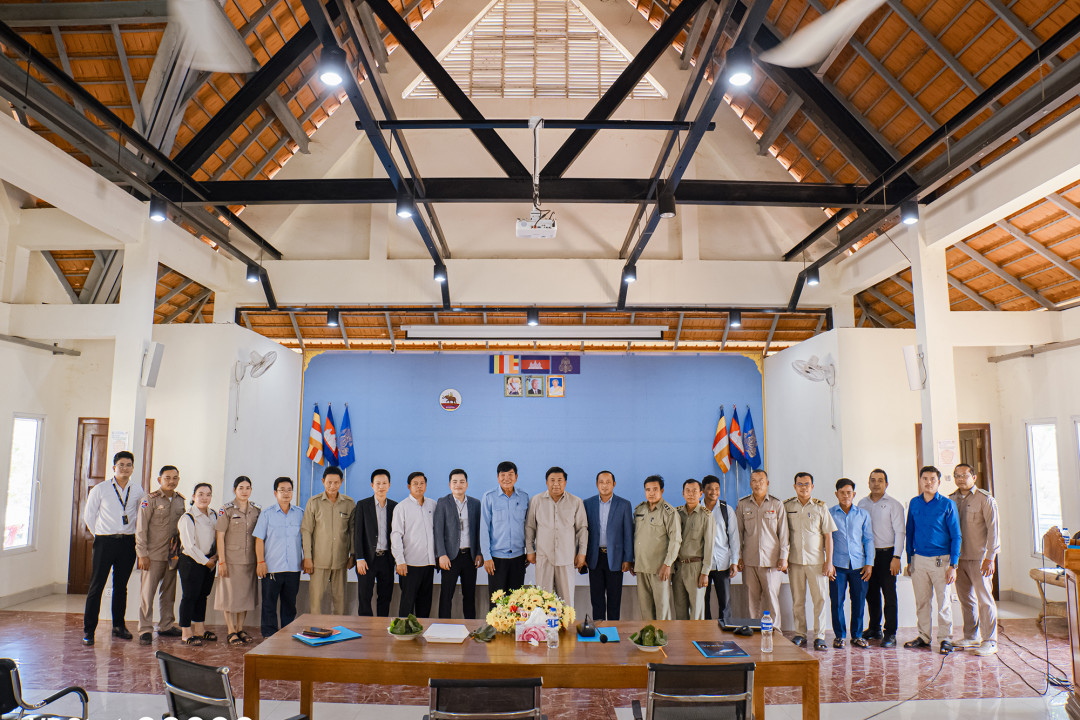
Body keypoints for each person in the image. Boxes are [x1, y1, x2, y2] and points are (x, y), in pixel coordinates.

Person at [82, 450, 147, 646]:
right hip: (104, 542)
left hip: (127, 542)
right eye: (121, 465)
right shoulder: (100, 489)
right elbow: (89, 516)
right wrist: (101, 535)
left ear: (133, 468)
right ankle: (89, 630)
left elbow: (141, 516)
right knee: (97, 586)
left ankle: (119, 626)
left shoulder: (137, 490)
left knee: (121, 587)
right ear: (114, 468)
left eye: (128, 465)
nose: (125, 468)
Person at [903, 465, 962, 654]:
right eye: (925, 479)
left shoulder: (947, 504)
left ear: (938, 482)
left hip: (941, 561)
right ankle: (923, 636)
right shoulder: (914, 503)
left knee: (943, 602)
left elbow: (957, 536)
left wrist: (953, 565)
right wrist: (909, 559)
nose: (928, 482)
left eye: (932, 479)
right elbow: (909, 532)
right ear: (920, 481)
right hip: (919, 559)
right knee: (922, 601)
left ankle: (945, 638)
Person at [950, 463, 1000, 656]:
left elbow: (994, 530)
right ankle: (971, 636)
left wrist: (990, 557)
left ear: (974, 477)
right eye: (957, 475)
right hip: (959, 559)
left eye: (964, 475)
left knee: (985, 600)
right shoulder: (951, 499)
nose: (960, 478)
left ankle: (990, 640)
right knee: (966, 600)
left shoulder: (985, 499)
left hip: (980, 559)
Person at [784, 472, 836, 651]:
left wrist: (829, 562)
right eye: (800, 484)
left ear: (812, 487)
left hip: (817, 563)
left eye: (807, 484)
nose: (803, 487)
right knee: (798, 600)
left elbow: (828, 537)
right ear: (794, 486)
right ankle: (800, 634)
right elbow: (783, 535)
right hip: (795, 562)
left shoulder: (821, 507)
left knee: (819, 599)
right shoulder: (787, 506)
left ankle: (820, 636)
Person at [135, 464, 185, 645]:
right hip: (152, 554)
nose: (171, 482)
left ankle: (166, 625)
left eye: (175, 478)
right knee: (147, 593)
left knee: (169, 593)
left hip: (172, 555)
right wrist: (142, 553)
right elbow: (141, 528)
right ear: (159, 480)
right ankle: (145, 629)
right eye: (167, 478)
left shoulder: (180, 500)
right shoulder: (150, 499)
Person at [857, 468, 906, 648]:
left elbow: (900, 532)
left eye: (880, 480)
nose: (876, 483)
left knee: (889, 595)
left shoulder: (894, 504)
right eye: (873, 480)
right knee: (871, 594)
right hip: (868, 557)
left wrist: (897, 556)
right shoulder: (862, 504)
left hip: (888, 555)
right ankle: (874, 628)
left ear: (886, 483)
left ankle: (890, 633)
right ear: (868, 482)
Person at [526, 466, 588, 601]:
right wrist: (530, 550)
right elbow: (530, 527)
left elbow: (582, 529)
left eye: (560, 480)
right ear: (546, 482)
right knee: (542, 601)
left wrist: (582, 553)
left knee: (566, 601)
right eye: (552, 480)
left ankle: (566, 623)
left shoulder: (576, 502)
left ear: (565, 482)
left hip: (566, 558)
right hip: (543, 558)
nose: (556, 484)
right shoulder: (536, 500)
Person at [736, 469, 789, 629]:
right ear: (750, 483)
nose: (757, 484)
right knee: (752, 601)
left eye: (761, 480)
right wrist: (738, 556)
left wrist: (784, 557)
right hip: (749, 561)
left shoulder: (776, 504)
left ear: (767, 483)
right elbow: (738, 533)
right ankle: (753, 632)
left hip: (772, 561)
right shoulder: (743, 504)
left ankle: (775, 633)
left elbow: (784, 533)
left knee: (772, 599)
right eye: (754, 480)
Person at [253, 477, 304, 637]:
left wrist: (307, 558)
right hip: (272, 567)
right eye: (282, 490)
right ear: (276, 493)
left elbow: (305, 539)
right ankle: (269, 635)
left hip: (293, 567)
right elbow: (259, 539)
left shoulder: (300, 514)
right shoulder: (267, 514)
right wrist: (260, 562)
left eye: (289, 489)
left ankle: (287, 634)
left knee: (290, 604)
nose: (286, 493)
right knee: (269, 603)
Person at [302, 466, 356, 615]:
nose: (332, 486)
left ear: (342, 482)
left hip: (341, 560)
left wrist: (353, 555)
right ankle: (315, 632)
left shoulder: (349, 503)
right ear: (323, 481)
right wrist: (307, 557)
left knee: (340, 601)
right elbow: (306, 531)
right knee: (315, 601)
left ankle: (339, 631)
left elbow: (353, 531)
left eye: (336, 483)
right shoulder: (314, 502)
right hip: (318, 560)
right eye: (329, 482)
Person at [828, 478, 874, 649]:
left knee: (859, 601)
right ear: (836, 494)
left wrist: (869, 563)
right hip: (837, 566)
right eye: (842, 492)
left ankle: (857, 635)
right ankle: (839, 636)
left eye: (849, 492)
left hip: (859, 566)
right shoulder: (829, 514)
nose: (846, 495)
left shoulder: (863, 515)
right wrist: (828, 563)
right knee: (837, 601)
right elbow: (826, 540)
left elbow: (868, 539)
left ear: (854, 494)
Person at [215, 476, 260, 645]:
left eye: (248, 487)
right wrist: (222, 561)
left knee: (245, 596)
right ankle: (230, 630)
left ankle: (240, 628)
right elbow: (220, 536)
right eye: (241, 488)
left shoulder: (256, 510)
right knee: (230, 596)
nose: (244, 491)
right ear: (235, 490)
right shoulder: (226, 510)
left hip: (249, 560)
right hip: (231, 560)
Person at [583, 470, 634, 620]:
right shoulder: (588, 503)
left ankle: (613, 631)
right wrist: (583, 555)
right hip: (595, 557)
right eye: (601, 482)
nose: (604, 485)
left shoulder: (624, 504)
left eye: (608, 482)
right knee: (597, 599)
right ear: (596, 484)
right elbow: (583, 531)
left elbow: (628, 533)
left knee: (614, 599)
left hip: (616, 559)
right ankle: (599, 633)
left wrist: (628, 558)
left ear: (614, 484)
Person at [433, 469, 482, 619]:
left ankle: (471, 628)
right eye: (455, 482)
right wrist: (441, 554)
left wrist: (479, 552)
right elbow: (438, 531)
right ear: (450, 484)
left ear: (467, 484)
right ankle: (442, 628)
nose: (458, 485)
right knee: (446, 595)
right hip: (450, 557)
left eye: (462, 481)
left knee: (469, 595)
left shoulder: (475, 503)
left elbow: (479, 530)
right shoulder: (443, 502)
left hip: (470, 556)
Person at [632, 475, 682, 621]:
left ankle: (663, 642)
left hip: (660, 569)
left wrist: (667, 564)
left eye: (655, 489)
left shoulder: (669, 512)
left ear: (662, 490)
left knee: (662, 610)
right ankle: (649, 642)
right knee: (646, 610)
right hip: (641, 567)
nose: (651, 493)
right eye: (648, 490)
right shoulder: (639, 510)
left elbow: (676, 540)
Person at [480, 461, 530, 600]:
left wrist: (529, 551)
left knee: (516, 602)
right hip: (496, 559)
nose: (506, 478)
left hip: (518, 558)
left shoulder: (524, 497)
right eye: (503, 475)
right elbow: (484, 528)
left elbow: (528, 527)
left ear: (516, 477)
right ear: (498, 477)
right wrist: (487, 557)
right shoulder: (489, 497)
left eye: (510, 474)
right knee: (497, 603)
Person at [177, 482, 219, 646]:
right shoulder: (187, 517)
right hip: (192, 561)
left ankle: (200, 630)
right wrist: (206, 561)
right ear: (194, 497)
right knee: (189, 596)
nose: (204, 497)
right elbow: (189, 546)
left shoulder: (213, 514)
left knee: (203, 595)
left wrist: (214, 558)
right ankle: (186, 632)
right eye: (200, 494)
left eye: (208, 494)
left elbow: (217, 537)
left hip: (209, 560)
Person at [391, 471, 437, 617]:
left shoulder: (433, 504)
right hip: (409, 565)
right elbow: (396, 535)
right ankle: (404, 637)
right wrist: (400, 561)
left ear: (426, 485)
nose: (419, 487)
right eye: (415, 484)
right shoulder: (401, 507)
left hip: (429, 564)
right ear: (409, 486)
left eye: (422, 483)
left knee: (425, 604)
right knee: (407, 605)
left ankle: (422, 636)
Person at [353, 469, 397, 616]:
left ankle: (382, 630)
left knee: (385, 597)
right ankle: (366, 633)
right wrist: (359, 558)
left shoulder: (395, 507)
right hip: (366, 560)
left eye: (384, 483)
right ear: (372, 485)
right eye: (378, 483)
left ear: (389, 485)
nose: (381, 486)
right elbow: (357, 534)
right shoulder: (363, 505)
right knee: (365, 598)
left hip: (387, 559)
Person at [673, 479, 716, 620]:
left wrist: (705, 572)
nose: (691, 494)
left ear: (701, 494)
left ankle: (695, 641)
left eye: (695, 491)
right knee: (680, 611)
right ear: (683, 493)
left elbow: (709, 546)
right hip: (678, 568)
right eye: (688, 491)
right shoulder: (676, 513)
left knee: (697, 613)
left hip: (696, 568)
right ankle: (682, 642)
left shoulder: (706, 516)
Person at [701, 475, 739, 623]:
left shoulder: (726, 510)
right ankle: (706, 632)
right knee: (703, 601)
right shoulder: (697, 509)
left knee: (725, 602)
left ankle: (726, 630)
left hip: (722, 563)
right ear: (703, 490)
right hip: (702, 564)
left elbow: (734, 538)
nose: (713, 492)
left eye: (716, 489)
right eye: (710, 489)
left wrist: (734, 562)